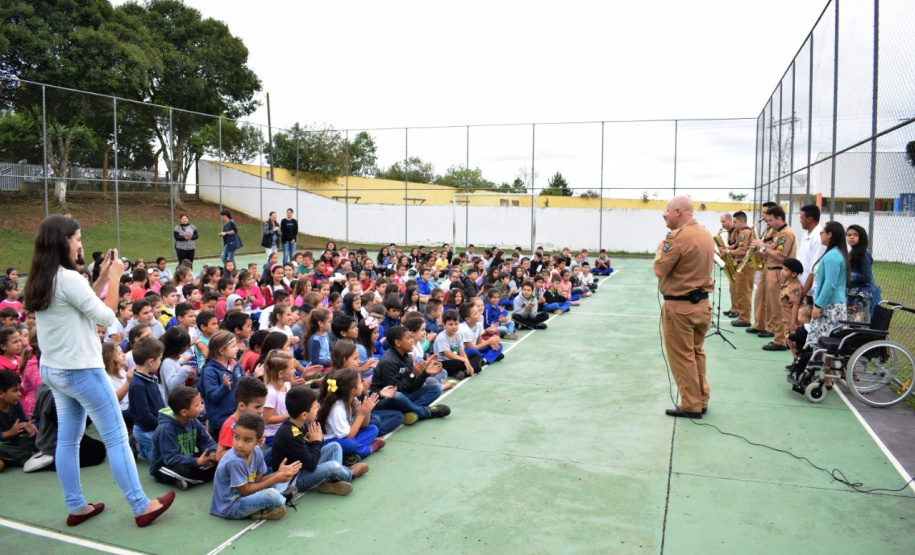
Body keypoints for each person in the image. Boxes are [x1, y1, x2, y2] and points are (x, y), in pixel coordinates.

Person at [24, 215, 174, 527]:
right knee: (117, 437)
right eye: (77, 239)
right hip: (81, 370)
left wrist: (103, 275)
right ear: (64, 241)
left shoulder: (43, 276)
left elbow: (83, 301)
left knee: (68, 439)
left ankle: (76, 506)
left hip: (54, 369)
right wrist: (116, 278)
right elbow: (105, 316)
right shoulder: (68, 278)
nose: (80, 245)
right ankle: (141, 505)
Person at [653, 196, 715, 419]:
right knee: (696, 353)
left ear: (678, 211)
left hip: (680, 307)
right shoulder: (705, 234)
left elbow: (659, 269)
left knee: (682, 357)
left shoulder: (677, 237)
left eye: (667, 211)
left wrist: (660, 248)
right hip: (701, 305)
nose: (665, 215)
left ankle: (690, 404)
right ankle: (701, 398)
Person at [270, 385, 368, 496]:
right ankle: (350, 474)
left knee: (335, 446)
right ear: (304, 415)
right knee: (332, 466)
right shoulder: (290, 434)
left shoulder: (298, 424)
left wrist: (318, 440)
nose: (318, 406)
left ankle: (332, 482)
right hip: (294, 480)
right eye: (315, 407)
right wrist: (316, 442)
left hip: (304, 467)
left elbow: (308, 456)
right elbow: (311, 464)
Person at [210, 412, 301, 521]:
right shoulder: (235, 461)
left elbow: (258, 480)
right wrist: (275, 479)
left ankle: (269, 503)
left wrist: (278, 473)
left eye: (247, 440)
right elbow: (245, 491)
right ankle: (280, 499)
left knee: (283, 480)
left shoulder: (257, 452)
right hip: (231, 506)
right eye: (236, 437)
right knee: (272, 494)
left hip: (248, 496)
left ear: (259, 441)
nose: (239, 444)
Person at [150, 386, 218, 490]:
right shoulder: (166, 429)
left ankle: (188, 480)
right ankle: (194, 477)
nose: (201, 407)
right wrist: (197, 462)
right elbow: (171, 458)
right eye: (197, 405)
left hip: (186, 458)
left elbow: (205, 440)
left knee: (217, 460)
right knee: (184, 471)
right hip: (164, 466)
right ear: (184, 412)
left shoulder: (193, 421)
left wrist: (212, 452)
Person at [752, 205, 796, 351]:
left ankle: (780, 340)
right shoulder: (779, 233)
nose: (768, 223)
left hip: (778, 273)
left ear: (779, 219)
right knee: (773, 308)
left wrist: (763, 246)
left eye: (770, 220)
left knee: (778, 309)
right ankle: (779, 337)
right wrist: (756, 251)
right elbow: (772, 254)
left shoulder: (785, 234)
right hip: (773, 271)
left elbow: (781, 256)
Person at [809, 221, 850, 355]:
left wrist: (818, 305)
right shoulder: (835, 253)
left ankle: (826, 367)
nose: (820, 235)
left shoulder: (833, 256)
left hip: (830, 306)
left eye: (822, 232)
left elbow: (830, 284)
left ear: (830, 234)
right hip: (831, 305)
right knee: (825, 341)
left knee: (825, 341)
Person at [726, 211, 754, 328]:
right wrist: (727, 248)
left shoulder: (744, 232)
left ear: (742, 221)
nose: (733, 224)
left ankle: (744, 319)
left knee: (743, 292)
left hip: (745, 265)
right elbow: (736, 246)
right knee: (741, 292)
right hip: (743, 265)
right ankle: (742, 316)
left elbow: (741, 251)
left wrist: (727, 251)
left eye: (735, 222)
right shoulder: (743, 232)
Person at [796, 205, 826, 305]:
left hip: (811, 290)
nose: (800, 221)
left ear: (809, 219)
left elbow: (814, 270)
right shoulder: (806, 234)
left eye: (801, 218)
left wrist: (802, 295)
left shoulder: (818, 238)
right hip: (802, 286)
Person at [846, 224, 875, 323]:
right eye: (849, 235)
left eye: (855, 235)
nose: (851, 237)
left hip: (859, 296)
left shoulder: (864, 254)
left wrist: (848, 275)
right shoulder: (852, 253)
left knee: (854, 324)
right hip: (849, 292)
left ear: (861, 237)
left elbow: (867, 277)